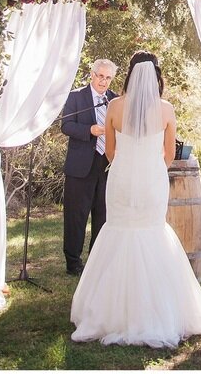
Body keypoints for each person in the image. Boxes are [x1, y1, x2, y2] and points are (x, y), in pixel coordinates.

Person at [70, 51, 201, 347]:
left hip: (121, 179)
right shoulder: (165, 109)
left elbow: (110, 151)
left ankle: (109, 312)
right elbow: (168, 154)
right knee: (152, 233)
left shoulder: (113, 106)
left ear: (129, 74)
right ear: (156, 76)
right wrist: (150, 168)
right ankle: (157, 310)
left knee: (118, 231)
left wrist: (127, 164)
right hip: (151, 180)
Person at [61, 58, 118, 275]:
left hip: (107, 165)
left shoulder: (115, 101)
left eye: (108, 78)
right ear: (92, 75)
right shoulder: (76, 97)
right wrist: (89, 131)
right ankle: (73, 262)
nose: (103, 81)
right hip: (80, 166)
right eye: (100, 76)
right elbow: (66, 126)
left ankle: (96, 261)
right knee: (76, 216)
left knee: (103, 216)